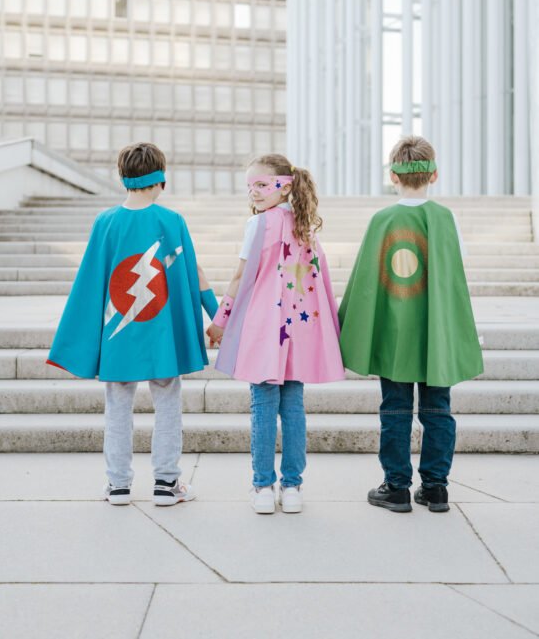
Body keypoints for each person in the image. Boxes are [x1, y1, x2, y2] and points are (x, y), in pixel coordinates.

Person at [47, 142, 218, 506]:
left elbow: (91, 281)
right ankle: (166, 484)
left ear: (123, 179)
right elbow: (193, 273)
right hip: (161, 335)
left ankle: (119, 485)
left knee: (118, 406)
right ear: (161, 181)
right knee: (168, 402)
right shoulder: (172, 221)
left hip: (118, 333)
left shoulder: (106, 222)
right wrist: (217, 317)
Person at [339, 135, 483, 513]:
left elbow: (367, 281)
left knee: (395, 408)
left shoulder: (382, 220)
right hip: (435, 331)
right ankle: (435, 488)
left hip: (396, 333)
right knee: (439, 408)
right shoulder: (444, 218)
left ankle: (397, 487)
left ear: (393, 176)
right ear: (434, 175)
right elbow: (456, 273)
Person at [207, 154, 345, 514]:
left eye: (261, 185)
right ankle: (293, 486)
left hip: (264, 330)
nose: (253, 192)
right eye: (250, 186)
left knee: (263, 404)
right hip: (299, 330)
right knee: (293, 405)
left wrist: (221, 319)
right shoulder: (305, 226)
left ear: (283, 186)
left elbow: (241, 277)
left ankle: (263, 486)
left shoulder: (259, 225)